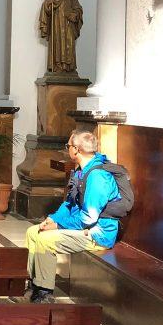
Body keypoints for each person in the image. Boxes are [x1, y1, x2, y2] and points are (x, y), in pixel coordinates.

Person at [15, 129, 121, 304]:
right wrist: (54, 219)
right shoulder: (82, 170)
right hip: (83, 227)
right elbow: (69, 202)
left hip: (97, 233)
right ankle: (33, 286)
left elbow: (88, 218)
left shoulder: (98, 177)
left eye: (68, 146)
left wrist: (58, 226)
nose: (67, 149)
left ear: (77, 149)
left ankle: (44, 293)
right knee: (33, 232)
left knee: (46, 240)